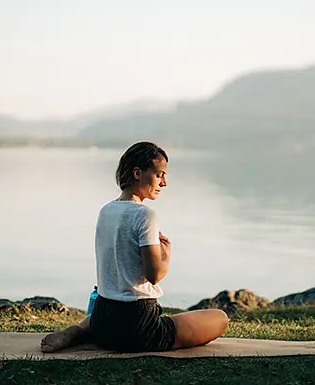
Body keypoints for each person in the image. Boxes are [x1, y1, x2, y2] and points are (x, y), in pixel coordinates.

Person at [40, 141, 229, 353]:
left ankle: (78, 331)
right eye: (159, 175)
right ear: (137, 173)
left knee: (113, 313)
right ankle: (87, 331)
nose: (164, 182)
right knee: (219, 318)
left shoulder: (106, 211)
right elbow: (153, 276)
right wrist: (165, 255)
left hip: (103, 321)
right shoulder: (145, 215)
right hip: (138, 328)